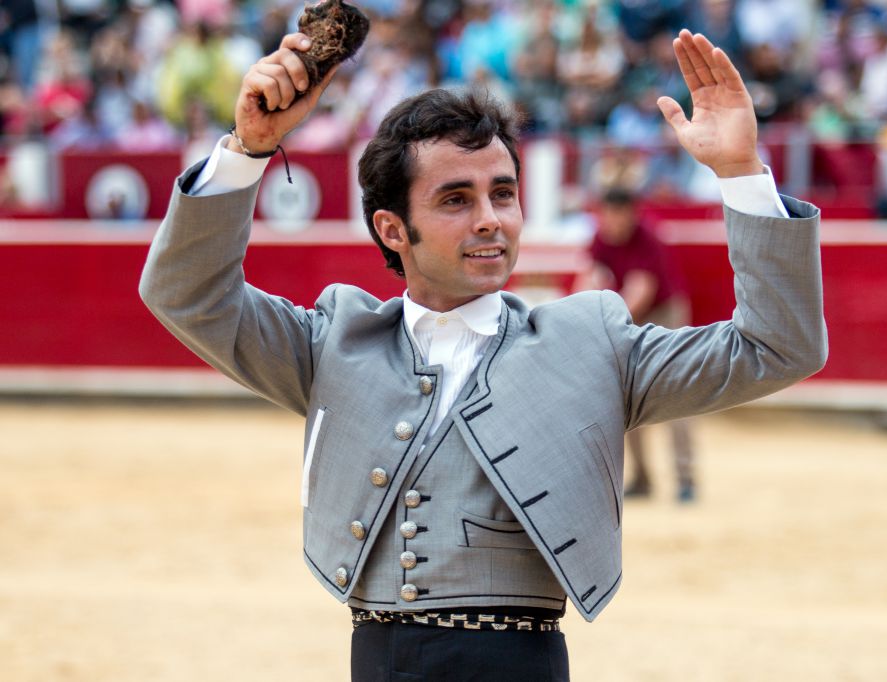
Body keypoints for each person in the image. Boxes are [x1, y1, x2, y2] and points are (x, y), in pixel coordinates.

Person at [140, 29, 827, 681]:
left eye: (503, 193)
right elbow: (186, 293)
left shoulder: (591, 343)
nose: (490, 218)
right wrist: (247, 149)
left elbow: (778, 345)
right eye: (455, 199)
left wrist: (740, 172)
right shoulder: (332, 342)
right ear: (392, 228)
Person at [579, 186, 697, 501]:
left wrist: (604, 323)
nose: (612, 223)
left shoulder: (648, 240)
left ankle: (686, 480)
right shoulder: (600, 238)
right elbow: (590, 278)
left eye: (618, 216)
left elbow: (641, 289)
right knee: (627, 397)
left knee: (676, 394)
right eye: (607, 216)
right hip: (630, 314)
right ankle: (642, 479)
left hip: (664, 314)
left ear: (631, 214)